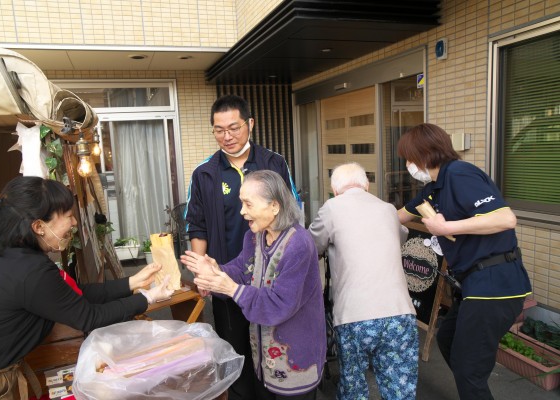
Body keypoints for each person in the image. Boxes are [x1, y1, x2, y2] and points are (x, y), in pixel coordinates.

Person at [0, 176, 174, 400]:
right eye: (69, 216)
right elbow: (89, 317)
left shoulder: (16, 255)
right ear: (39, 226)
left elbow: (70, 296)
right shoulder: (30, 271)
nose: (74, 223)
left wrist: (132, 283)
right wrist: (148, 297)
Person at [396, 123, 532, 400]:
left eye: (409, 158)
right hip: (473, 284)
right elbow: (399, 216)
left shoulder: (460, 174)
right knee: (448, 340)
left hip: (495, 284)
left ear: (424, 153)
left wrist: (446, 228)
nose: (408, 165)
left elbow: (505, 218)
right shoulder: (434, 188)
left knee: (469, 368)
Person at [185, 94, 299, 400]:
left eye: (234, 128)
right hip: (226, 277)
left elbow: (292, 213)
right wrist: (202, 272)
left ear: (250, 124)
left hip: (270, 280)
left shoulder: (273, 163)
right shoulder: (204, 173)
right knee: (235, 351)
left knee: (275, 348)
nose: (227, 136)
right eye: (219, 130)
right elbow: (197, 225)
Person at [181, 170, 325, 400]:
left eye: (248, 204)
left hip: (295, 360)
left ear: (274, 206)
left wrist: (230, 288)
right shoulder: (254, 236)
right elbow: (241, 270)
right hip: (265, 358)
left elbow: (280, 304)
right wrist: (215, 271)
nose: (242, 211)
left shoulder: (298, 243)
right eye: (241, 203)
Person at [308, 162, 418, 400]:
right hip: (399, 313)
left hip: (354, 316)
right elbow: (399, 238)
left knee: (354, 387)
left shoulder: (332, 208)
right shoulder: (388, 208)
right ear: (367, 185)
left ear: (334, 190)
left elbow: (311, 247)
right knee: (400, 390)